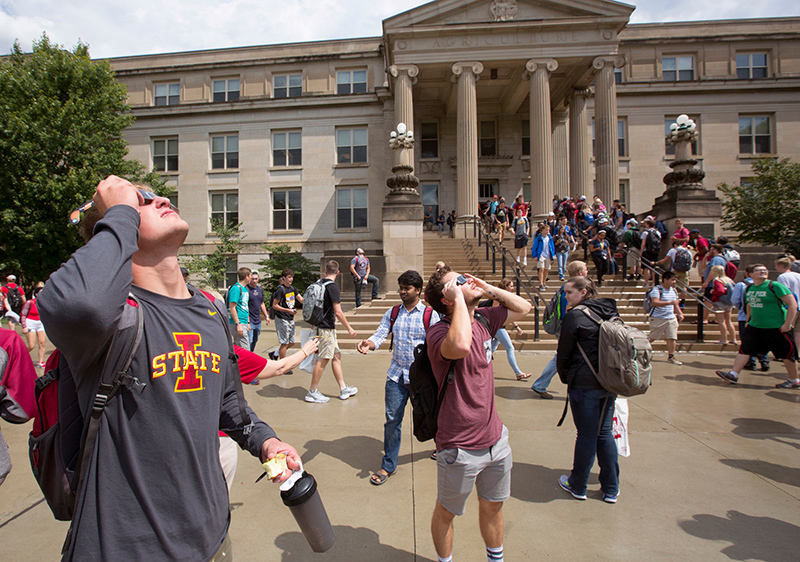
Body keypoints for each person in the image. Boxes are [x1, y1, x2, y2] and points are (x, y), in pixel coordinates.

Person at [38, 175, 301, 561]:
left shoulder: (209, 310)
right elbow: (72, 305)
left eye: (156, 195)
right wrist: (119, 212)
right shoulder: (114, 319)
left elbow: (228, 401)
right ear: (117, 226)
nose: (160, 198)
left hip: (211, 540)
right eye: (141, 200)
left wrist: (264, 440)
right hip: (126, 548)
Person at [424, 267, 531, 562]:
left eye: (465, 277)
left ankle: (495, 558)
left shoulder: (485, 319)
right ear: (446, 298)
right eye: (458, 282)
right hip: (459, 447)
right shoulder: (438, 332)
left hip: (495, 439)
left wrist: (487, 288)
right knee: (447, 512)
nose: (466, 281)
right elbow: (459, 346)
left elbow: (525, 307)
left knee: (493, 505)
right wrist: (459, 298)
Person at [357, 270, 440, 485]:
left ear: (418, 290)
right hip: (396, 376)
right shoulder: (393, 313)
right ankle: (388, 465)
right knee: (393, 420)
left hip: (423, 379)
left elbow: (439, 343)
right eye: (401, 287)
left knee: (432, 416)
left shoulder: (430, 315)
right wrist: (370, 344)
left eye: (407, 288)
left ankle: (442, 447)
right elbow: (381, 334)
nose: (402, 291)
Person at [219, 338, 319, 491]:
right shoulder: (223, 351)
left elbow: (227, 400)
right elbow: (278, 368)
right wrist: (305, 351)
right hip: (221, 445)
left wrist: (264, 440)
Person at [556, 276, 620, 503]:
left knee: (586, 434)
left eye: (569, 292)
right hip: (609, 381)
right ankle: (611, 488)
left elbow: (563, 352)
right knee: (604, 433)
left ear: (583, 292)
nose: (565, 297)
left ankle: (578, 484)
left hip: (584, 383)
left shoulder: (575, 316)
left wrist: (565, 376)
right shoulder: (610, 311)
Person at [716, 264, 798, 388]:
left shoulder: (774, 286)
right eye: (759, 271)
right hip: (756, 327)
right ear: (751, 274)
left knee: (787, 355)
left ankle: (794, 380)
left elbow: (792, 304)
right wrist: (749, 320)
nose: (762, 272)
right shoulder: (749, 288)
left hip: (776, 327)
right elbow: (749, 304)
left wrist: (788, 323)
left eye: (765, 270)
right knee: (744, 350)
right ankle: (733, 374)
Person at [531, 261, 589, 399]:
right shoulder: (571, 289)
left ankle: (541, 384)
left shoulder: (567, 287)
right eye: (586, 269)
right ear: (580, 273)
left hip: (566, 326)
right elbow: (569, 309)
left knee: (563, 356)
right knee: (562, 357)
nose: (587, 271)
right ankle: (540, 384)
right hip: (567, 327)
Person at [306, 260, 358, 403]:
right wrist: (349, 328)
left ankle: (343, 388)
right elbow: (338, 312)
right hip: (326, 329)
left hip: (320, 327)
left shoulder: (319, 284)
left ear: (325, 271)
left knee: (336, 356)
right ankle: (312, 391)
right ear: (338, 272)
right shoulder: (332, 287)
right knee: (323, 359)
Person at [483, 278, 532, 381]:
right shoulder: (498, 298)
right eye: (511, 286)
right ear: (506, 287)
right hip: (498, 327)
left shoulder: (504, 297)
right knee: (510, 348)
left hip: (499, 326)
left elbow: (505, 315)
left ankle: (480, 365)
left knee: (491, 349)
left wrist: (516, 326)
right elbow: (495, 313)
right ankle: (518, 373)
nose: (513, 288)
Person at [732, 265, 770, 372]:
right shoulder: (768, 285)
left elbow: (735, 300)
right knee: (763, 340)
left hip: (745, 318)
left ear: (747, 273)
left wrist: (740, 308)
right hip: (763, 318)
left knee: (747, 341)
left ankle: (750, 362)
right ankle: (764, 360)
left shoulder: (741, 285)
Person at [648, 272, 684, 364]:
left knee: (672, 337)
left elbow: (675, 303)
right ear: (665, 280)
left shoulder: (674, 290)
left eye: (675, 280)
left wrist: (680, 313)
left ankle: (671, 356)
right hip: (658, 317)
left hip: (671, 317)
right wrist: (670, 303)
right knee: (652, 337)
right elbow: (655, 302)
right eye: (672, 280)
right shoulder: (657, 290)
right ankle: (642, 349)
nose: (674, 282)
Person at [272, 268, 304, 369]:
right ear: (284, 278)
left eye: (292, 277)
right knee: (284, 342)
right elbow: (275, 305)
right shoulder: (280, 290)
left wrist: (311, 299)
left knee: (292, 342)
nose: (291, 279)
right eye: (289, 277)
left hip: (290, 317)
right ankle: (283, 366)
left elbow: (301, 299)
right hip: (282, 318)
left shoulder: (293, 289)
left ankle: (275, 354)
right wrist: (287, 310)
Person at [706, 265, 737, 345]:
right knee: (729, 321)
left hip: (720, 302)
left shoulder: (717, 280)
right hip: (729, 302)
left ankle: (724, 339)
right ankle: (733, 339)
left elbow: (720, 291)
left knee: (721, 321)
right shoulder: (729, 280)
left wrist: (713, 292)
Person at [20, 282, 47, 369]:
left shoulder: (46, 304)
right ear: (36, 294)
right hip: (30, 322)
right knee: (32, 345)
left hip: (40, 323)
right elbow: (23, 314)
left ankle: (40, 361)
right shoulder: (30, 302)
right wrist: (24, 326)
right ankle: (20, 357)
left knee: (42, 343)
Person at [226, 267, 252, 349]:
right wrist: (238, 324)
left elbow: (245, 306)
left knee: (239, 349)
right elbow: (232, 307)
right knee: (245, 350)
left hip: (244, 322)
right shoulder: (236, 289)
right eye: (250, 275)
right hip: (237, 322)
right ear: (246, 276)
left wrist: (248, 322)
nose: (251, 277)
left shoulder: (245, 289)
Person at [247, 270, 270, 352]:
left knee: (255, 340)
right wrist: (248, 321)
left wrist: (266, 316)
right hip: (249, 320)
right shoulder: (246, 290)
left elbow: (262, 303)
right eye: (252, 279)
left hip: (258, 320)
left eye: (256, 279)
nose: (254, 281)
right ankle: (247, 358)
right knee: (249, 341)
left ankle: (251, 355)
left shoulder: (259, 289)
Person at [531, 223, 555, 290]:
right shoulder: (539, 238)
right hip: (541, 254)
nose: (547, 231)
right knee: (541, 269)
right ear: (542, 230)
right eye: (546, 230)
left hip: (548, 255)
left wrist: (553, 254)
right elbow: (534, 246)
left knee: (546, 269)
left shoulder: (549, 238)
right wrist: (535, 255)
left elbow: (552, 246)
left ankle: (544, 282)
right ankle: (541, 283)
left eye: (548, 230)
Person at [640, 218, 661, 286]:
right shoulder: (657, 232)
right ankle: (654, 282)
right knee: (654, 267)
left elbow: (643, 243)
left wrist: (641, 252)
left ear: (648, 224)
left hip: (647, 251)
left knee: (647, 267)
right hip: (655, 251)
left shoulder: (645, 232)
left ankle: (646, 282)